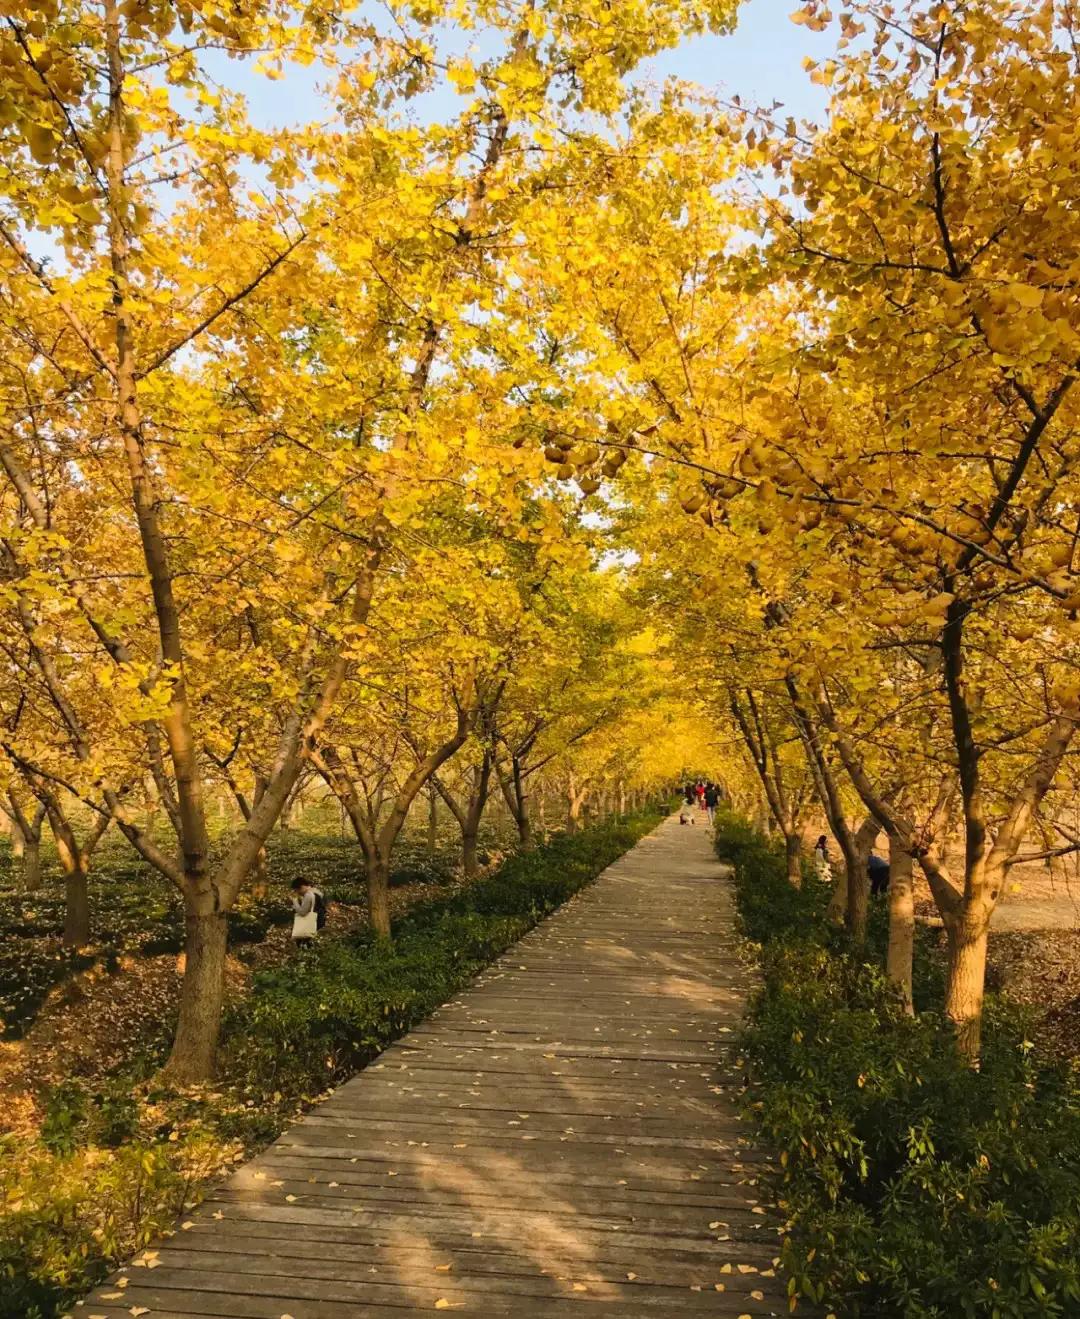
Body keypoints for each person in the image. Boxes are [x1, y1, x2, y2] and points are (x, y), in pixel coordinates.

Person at [291, 877, 320, 948]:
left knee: (304, 941)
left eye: (297, 890)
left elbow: (302, 912)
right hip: (317, 920)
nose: (298, 893)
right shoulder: (315, 892)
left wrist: (294, 901)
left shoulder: (308, 895)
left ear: (301, 887)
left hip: (307, 924)